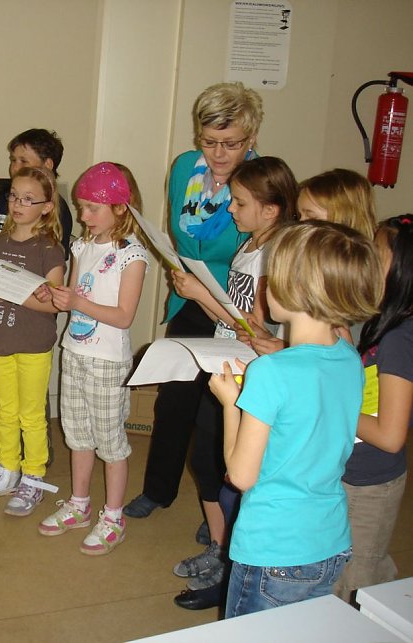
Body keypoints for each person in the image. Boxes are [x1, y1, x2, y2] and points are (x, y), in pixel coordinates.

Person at [209, 220, 383, 618]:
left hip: (273, 549)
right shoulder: (347, 359)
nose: (266, 283)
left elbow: (241, 475)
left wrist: (231, 403)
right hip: (330, 542)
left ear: (299, 290)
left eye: (275, 274)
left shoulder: (270, 372)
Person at [125, 81, 262, 520]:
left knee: (220, 413)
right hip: (188, 303)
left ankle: (219, 509)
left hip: (232, 309)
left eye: (230, 144)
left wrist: (204, 286)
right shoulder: (185, 167)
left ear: (251, 137)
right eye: (209, 142)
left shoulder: (259, 183)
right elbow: (179, 233)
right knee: (174, 399)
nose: (218, 155)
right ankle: (158, 490)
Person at [169, 156, 298, 608]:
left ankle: (234, 562)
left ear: (272, 209)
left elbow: (256, 329)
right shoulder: (248, 245)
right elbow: (228, 317)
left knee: (232, 471)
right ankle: (221, 550)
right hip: (227, 366)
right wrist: (197, 293)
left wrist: (203, 293)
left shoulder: (276, 255)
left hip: (254, 376)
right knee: (205, 461)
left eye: (240, 203)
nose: (231, 211)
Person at [35, 162, 147, 555]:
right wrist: (58, 297)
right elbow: (74, 298)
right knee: (77, 434)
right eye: (81, 206)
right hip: (75, 352)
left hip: (107, 361)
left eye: (92, 208)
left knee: (110, 441)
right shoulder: (82, 246)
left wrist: (77, 301)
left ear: (120, 207)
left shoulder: (132, 256)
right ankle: (79, 503)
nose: (83, 216)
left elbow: (123, 316)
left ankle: (113, 515)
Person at [0, 128, 74, 455]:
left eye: (23, 160)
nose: (14, 166)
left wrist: (22, 292)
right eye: (13, 160)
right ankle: (2, 453)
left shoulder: (51, 230)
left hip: (30, 329)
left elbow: (52, 286)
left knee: (31, 406)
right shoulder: (3, 218)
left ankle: (35, 463)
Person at [0, 166, 65, 516]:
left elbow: (52, 300)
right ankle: (6, 470)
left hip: (34, 344)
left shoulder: (49, 248)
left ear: (46, 206)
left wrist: (10, 292)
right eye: (13, 196)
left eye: (27, 199)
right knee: (4, 410)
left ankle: (33, 477)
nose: (17, 204)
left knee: (31, 415)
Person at [334, 214, 413, 604]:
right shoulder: (383, 321)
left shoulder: (401, 337)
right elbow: (366, 383)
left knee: (358, 579)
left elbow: (390, 434)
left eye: (376, 253)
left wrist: (333, 405)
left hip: (370, 485)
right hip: (352, 471)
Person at [242, 167, 377, 356]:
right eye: (299, 216)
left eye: (311, 217)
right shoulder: (303, 265)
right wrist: (263, 337)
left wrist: (285, 349)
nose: (300, 225)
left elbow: (339, 355)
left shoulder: (347, 282)